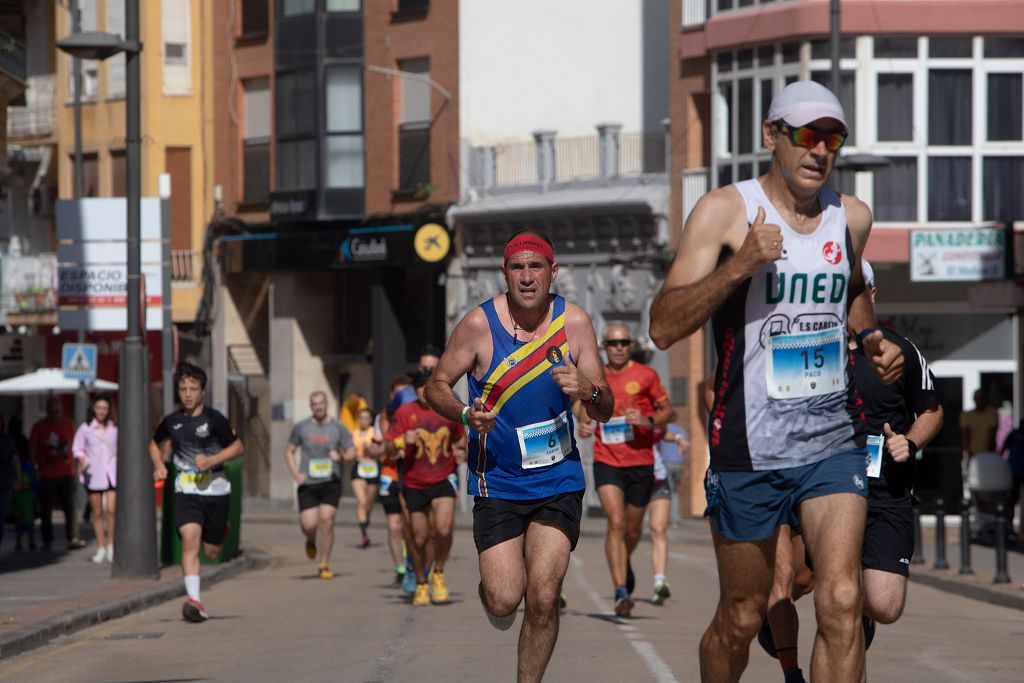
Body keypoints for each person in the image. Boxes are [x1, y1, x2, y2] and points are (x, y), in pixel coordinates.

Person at [648, 80, 903, 682]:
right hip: (748, 445)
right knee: (740, 615)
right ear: (772, 136)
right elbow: (662, 326)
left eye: (832, 140)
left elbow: (854, 296)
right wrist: (741, 265)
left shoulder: (852, 217)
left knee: (842, 600)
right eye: (807, 136)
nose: (820, 151)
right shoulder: (723, 211)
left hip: (832, 440)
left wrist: (871, 341)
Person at [425, 229, 613, 683]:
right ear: (504, 273)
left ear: (553, 271)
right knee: (506, 598)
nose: (527, 277)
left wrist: (588, 390)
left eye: (536, 266)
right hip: (498, 482)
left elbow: (605, 406)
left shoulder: (575, 323)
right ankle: (493, 590)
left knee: (545, 595)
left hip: (559, 479)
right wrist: (467, 414)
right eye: (517, 267)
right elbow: (435, 386)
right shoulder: (478, 325)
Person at [760, 260, 944, 683]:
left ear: (872, 296)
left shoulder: (899, 351)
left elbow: (932, 411)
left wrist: (910, 441)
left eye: (856, 291)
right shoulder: (802, 348)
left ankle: (859, 618)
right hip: (822, 492)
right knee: (833, 595)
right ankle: (826, 647)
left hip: (885, 494)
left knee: (883, 604)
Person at [575, 324, 675, 617]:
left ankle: (624, 559)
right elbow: (583, 404)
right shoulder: (596, 375)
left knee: (632, 531)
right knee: (615, 523)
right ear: (604, 346)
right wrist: (584, 421)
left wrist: (647, 419)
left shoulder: (647, 375)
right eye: (613, 343)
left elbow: (668, 412)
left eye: (624, 342)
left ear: (631, 345)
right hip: (607, 459)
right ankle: (621, 592)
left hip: (641, 461)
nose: (618, 347)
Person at [150, 363, 244, 623]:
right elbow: (153, 443)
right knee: (190, 539)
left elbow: (238, 447)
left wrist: (213, 460)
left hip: (216, 489)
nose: (187, 394)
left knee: (212, 552)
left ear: (202, 391)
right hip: (187, 489)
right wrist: (159, 465)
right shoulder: (172, 421)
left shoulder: (215, 419)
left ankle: (219, 531)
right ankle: (195, 600)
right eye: (183, 389)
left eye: (193, 389)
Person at [385, 368, 465, 606]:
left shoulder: (448, 409)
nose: (423, 390)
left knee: (442, 530)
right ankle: (421, 581)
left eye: (426, 385)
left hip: (443, 479)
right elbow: (387, 449)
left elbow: (460, 439)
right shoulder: (403, 413)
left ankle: (438, 572)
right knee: (418, 538)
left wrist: (461, 451)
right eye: (418, 386)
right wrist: (401, 441)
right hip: (413, 483)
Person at [284, 391, 354, 579]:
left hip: (331, 482)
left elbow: (352, 452)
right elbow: (289, 451)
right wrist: (296, 474)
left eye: (321, 403)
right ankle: (310, 540)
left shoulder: (338, 427)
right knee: (309, 524)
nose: (318, 407)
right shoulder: (301, 427)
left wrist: (340, 457)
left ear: (327, 404)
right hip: (308, 483)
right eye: (314, 404)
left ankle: (324, 564)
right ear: (310, 406)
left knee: (326, 521)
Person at [30, 396, 86, 551]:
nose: (55, 414)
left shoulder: (68, 424)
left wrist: (76, 465)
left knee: (70, 507)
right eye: (53, 411)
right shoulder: (39, 426)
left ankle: (73, 537)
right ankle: (47, 540)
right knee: (46, 509)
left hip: (66, 472)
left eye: (58, 411)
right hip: (46, 473)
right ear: (47, 411)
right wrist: (35, 467)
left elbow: (75, 446)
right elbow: (33, 448)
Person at [72, 395, 118, 563]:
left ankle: (112, 545)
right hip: (94, 474)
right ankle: (101, 547)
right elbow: (77, 448)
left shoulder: (114, 428)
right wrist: (82, 459)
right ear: (94, 409)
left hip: (111, 474)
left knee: (111, 511)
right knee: (97, 512)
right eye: (99, 408)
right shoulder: (86, 428)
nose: (101, 412)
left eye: (104, 408)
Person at [351, 407, 384, 548]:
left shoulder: (375, 433)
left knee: (369, 504)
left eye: (366, 418)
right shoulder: (354, 434)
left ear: (370, 419)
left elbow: (382, 449)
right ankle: (364, 535)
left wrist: (370, 449)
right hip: (359, 468)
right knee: (362, 502)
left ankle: (366, 520)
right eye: (361, 418)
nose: (363, 420)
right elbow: (349, 450)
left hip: (373, 468)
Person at [647, 438, 673, 605]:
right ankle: (623, 576)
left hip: (658, 478)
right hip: (631, 478)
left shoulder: (654, 412)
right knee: (629, 532)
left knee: (659, 529)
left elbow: (664, 429)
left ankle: (659, 582)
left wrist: (678, 438)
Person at [961, 389, 998, 459]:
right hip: (972, 454)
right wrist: (969, 452)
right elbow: (965, 436)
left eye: (981, 398)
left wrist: (985, 452)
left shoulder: (992, 413)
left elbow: (992, 434)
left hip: (988, 454)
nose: (980, 400)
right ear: (974, 399)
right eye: (978, 398)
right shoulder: (966, 415)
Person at [0, 415, 18, 551]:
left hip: (5, 483)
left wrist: (18, 478)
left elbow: (15, 461)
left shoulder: (7, 441)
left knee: (1, 519)